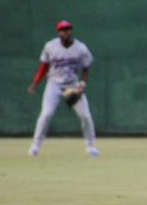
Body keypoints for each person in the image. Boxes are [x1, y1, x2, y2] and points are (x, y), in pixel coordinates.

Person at [27, 20, 99, 157]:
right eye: (62, 29)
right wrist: (35, 83)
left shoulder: (81, 48)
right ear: (58, 32)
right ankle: (35, 146)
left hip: (73, 84)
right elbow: (44, 67)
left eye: (67, 29)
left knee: (85, 116)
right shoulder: (50, 46)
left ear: (71, 31)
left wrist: (82, 84)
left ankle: (91, 147)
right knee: (46, 114)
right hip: (54, 84)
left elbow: (86, 67)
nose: (65, 32)